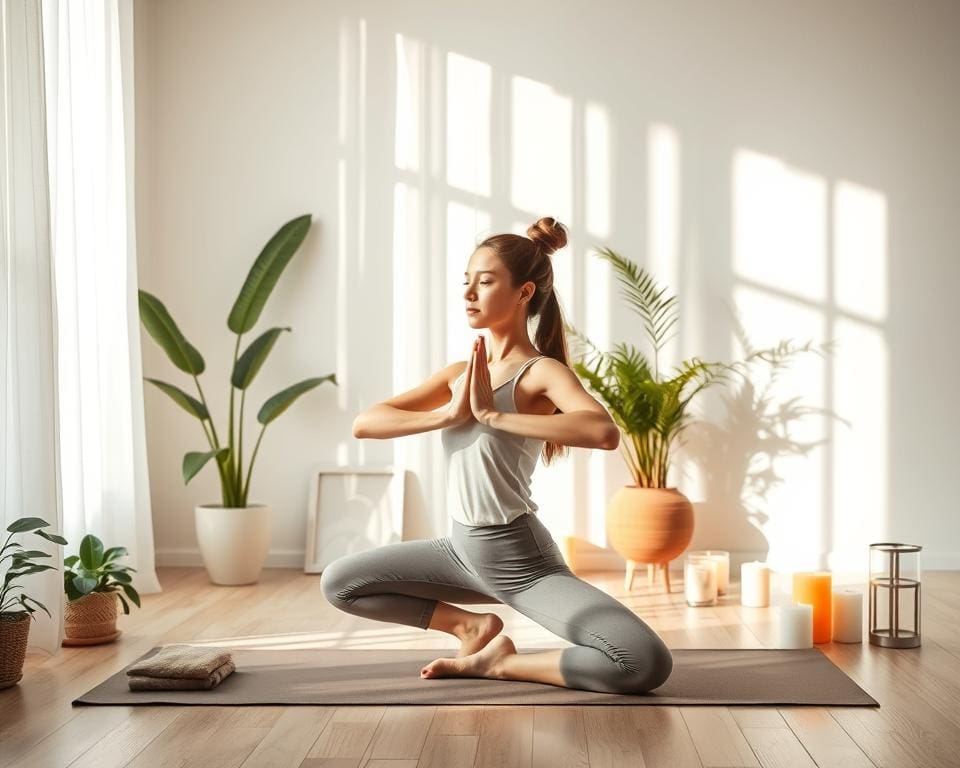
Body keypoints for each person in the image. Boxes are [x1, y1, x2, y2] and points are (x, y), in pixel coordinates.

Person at [320, 217, 673, 694]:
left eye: (484, 282)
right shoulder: (459, 374)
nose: (469, 293)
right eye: (466, 282)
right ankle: (470, 629)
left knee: (643, 663)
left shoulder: (540, 372)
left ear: (524, 292)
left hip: (522, 562)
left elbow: (601, 431)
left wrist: (495, 416)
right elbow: (367, 422)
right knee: (340, 582)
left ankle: (500, 665)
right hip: (460, 550)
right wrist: (447, 415)